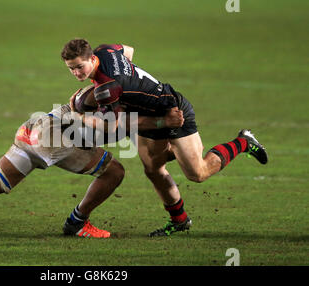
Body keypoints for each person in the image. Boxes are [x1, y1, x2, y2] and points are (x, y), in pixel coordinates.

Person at [0, 86, 184, 238]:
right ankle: (77, 223)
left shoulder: (99, 94)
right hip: (53, 139)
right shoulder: (113, 106)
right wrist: (161, 124)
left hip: (34, 127)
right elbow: (118, 129)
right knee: (115, 171)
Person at [61, 38, 268, 236]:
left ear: (90, 58)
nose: (76, 73)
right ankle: (179, 221)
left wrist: (79, 116)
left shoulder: (107, 88)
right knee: (153, 168)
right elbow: (129, 51)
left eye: (80, 66)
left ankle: (243, 142)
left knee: (198, 173)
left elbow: (114, 125)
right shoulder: (106, 50)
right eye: (71, 68)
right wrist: (131, 87)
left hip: (172, 110)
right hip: (147, 113)